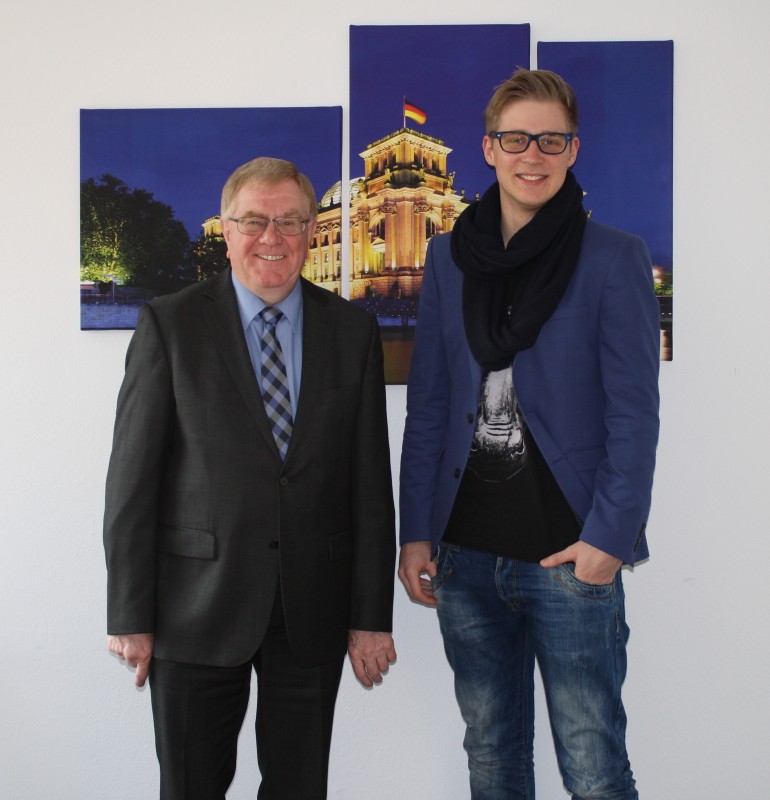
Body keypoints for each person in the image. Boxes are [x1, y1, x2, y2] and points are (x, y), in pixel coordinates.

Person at [398, 69, 660, 800]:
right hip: (466, 559)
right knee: (492, 759)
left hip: (569, 558)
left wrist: (609, 541)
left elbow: (634, 414)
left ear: (573, 151)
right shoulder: (449, 258)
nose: (532, 156)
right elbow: (430, 404)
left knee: (594, 767)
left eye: (551, 140)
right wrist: (415, 530)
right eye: (516, 139)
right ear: (488, 148)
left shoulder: (612, 256)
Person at [104, 157, 396, 800]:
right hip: (192, 607)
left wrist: (372, 615)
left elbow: (371, 485)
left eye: (290, 221)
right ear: (227, 232)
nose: (273, 237)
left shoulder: (352, 330)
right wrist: (131, 612)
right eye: (254, 221)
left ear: (310, 227)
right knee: (191, 787)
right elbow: (131, 483)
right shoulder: (170, 324)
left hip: (312, 608)